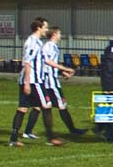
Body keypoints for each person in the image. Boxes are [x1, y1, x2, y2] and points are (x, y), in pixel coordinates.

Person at [9, 17, 62, 147]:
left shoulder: (37, 42)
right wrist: (27, 83)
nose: (47, 30)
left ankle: (13, 139)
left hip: (31, 80)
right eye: (45, 27)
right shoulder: (32, 42)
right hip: (34, 81)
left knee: (23, 108)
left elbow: (45, 61)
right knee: (47, 105)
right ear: (39, 28)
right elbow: (27, 63)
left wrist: (63, 69)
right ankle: (51, 138)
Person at [25, 27, 87, 138]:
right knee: (61, 105)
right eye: (59, 33)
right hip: (50, 83)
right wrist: (65, 69)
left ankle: (28, 131)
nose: (60, 36)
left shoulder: (53, 46)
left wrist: (62, 72)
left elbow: (51, 64)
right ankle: (71, 130)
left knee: (39, 106)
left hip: (49, 80)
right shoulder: (48, 46)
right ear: (54, 34)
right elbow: (46, 62)